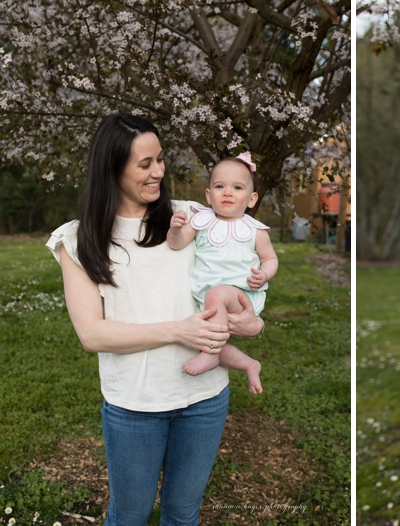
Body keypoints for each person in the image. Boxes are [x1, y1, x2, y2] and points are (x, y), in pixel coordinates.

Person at [47, 113, 264, 525]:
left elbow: (241, 280)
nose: (158, 172)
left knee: (183, 515)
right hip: (134, 404)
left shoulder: (193, 217)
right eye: (144, 164)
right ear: (112, 168)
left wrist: (254, 323)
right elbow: (91, 333)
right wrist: (177, 330)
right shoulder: (77, 239)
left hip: (205, 399)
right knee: (129, 516)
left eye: (160, 159)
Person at [169, 152, 277, 394]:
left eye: (237, 187)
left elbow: (270, 258)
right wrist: (175, 230)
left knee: (216, 300)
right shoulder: (200, 222)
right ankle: (249, 364)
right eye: (220, 186)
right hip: (209, 300)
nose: (227, 192)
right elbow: (176, 244)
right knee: (212, 338)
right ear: (209, 195)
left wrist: (265, 275)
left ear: (251, 199)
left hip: (240, 295)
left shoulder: (255, 231)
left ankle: (210, 356)